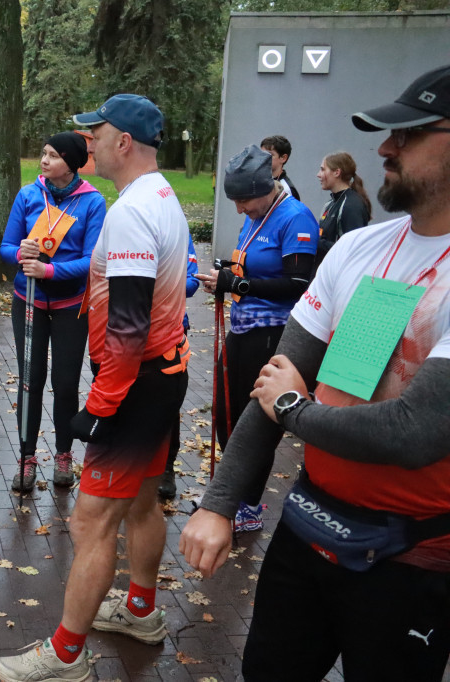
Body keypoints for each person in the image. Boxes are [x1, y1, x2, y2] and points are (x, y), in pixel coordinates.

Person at [180, 63, 450, 682]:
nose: (385, 147)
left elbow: (414, 433)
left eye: (409, 134)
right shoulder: (364, 249)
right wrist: (220, 503)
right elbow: (284, 376)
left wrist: (295, 410)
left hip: (413, 556)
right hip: (309, 525)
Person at [0, 94, 190, 681]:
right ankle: (140, 611)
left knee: (90, 522)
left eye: (96, 133)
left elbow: (128, 326)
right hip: (164, 375)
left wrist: (99, 406)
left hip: (136, 381)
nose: (90, 144)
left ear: (122, 142)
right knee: (143, 501)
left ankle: (66, 655)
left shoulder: (129, 212)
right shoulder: (161, 196)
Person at [197, 145, 318, 531]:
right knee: (223, 413)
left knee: (257, 420)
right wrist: (225, 279)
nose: (239, 209)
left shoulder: (295, 216)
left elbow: (298, 284)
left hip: (273, 333)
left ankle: (248, 506)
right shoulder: (256, 213)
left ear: (267, 188)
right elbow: (247, 265)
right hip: (242, 327)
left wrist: (239, 283)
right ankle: (232, 493)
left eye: (244, 199)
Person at [0, 131, 106, 491]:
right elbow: (7, 246)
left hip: (71, 306)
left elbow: (93, 261)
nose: (44, 161)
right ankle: (26, 457)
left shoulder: (92, 202)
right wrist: (21, 254)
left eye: (53, 155)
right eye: (43, 153)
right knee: (30, 380)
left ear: (72, 163)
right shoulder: (29, 195)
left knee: (64, 382)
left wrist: (51, 270)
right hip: (27, 300)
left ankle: (63, 454)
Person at [158, 234, 200, 499]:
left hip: (170, 328)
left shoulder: (177, 229)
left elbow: (192, 281)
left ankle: (166, 468)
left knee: (168, 404)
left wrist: (154, 286)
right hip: (130, 327)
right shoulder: (124, 222)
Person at [315, 151, 372, 263]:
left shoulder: (351, 204)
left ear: (337, 172)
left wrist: (315, 242)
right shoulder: (331, 202)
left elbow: (353, 249)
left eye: (322, 169)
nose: (318, 174)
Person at [260, 134, 300, 200]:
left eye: (269, 154)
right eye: (262, 154)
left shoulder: (287, 189)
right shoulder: (260, 182)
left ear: (283, 158)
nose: (263, 158)